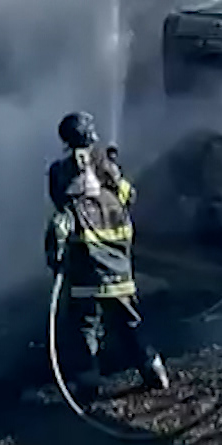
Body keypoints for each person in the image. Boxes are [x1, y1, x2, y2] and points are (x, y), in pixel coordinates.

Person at [46, 111, 170, 398]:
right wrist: (110, 172)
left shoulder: (61, 173)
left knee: (84, 328)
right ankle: (154, 371)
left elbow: (61, 216)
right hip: (119, 267)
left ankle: (88, 385)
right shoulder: (108, 170)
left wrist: (55, 256)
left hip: (85, 270)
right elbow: (129, 196)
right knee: (130, 323)